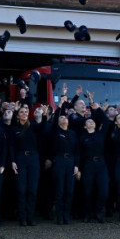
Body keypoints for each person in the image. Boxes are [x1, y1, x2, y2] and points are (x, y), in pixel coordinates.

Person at [45, 93, 79, 225]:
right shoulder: (56, 132)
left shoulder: (73, 134)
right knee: (60, 189)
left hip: (70, 162)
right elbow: (55, 120)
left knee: (69, 190)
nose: (64, 119)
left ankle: (66, 214)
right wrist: (60, 105)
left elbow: (77, 150)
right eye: (61, 118)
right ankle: (59, 215)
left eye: (65, 117)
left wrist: (76, 165)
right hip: (59, 161)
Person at [78, 95, 111, 223]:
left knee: (103, 191)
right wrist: (79, 168)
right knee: (88, 191)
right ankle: (87, 213)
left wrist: (97, 109)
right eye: (88, 122)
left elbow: (106, 121)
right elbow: (79, 153)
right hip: (88, 165)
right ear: (85, 126)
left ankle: (98, 211)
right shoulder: (82, 137)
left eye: (92, 121)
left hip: (101, 165)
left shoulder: (100, 134)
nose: (91, 122)